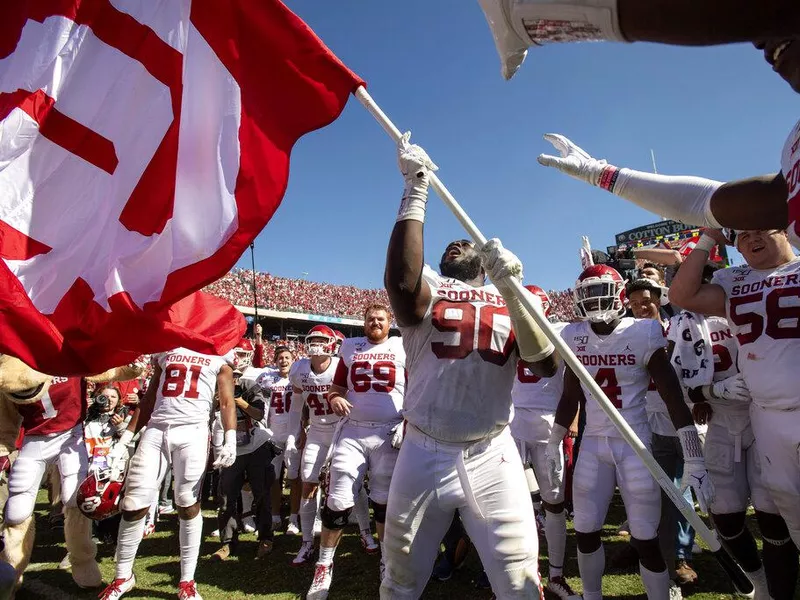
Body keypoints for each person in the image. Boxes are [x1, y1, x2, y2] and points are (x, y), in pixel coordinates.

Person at [380, 133, 558, 599]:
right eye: (450, 243)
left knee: (520, 583)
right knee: (399, 583)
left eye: (466, 242)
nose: (457, 243)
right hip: (424, 448)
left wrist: (514, 292)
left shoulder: (514, 291)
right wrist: (415, 190)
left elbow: (545, 365)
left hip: (491, 452)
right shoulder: (430, 288)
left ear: (485, 259)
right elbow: (401, 282)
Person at [552, 264, 713, 600]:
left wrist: (694, 457)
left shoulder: (643, 332)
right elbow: (570, 396)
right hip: (594, 445)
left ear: (618, 294)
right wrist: (553, 443)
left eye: (601, 292)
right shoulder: (572, 335)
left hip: (635, 445)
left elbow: (671, 395)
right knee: (584, 531)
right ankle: (592, 595)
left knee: (645, 537)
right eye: (589, 294)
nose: (595, 301)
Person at [669, 228, 800, 598]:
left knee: (774, 514)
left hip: (764, 416)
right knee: (725, 515)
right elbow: (679, 382)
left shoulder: (750, 293)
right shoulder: (688, 319)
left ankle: (780, 590)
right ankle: (757, 583)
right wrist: (711, 389)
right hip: (724, 421)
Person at [98, 348, 237, 600]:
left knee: (187, 502)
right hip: (157, 428)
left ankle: (187, 581)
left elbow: (226, 400)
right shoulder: (167, 349)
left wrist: (230, 437)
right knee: (133, 502)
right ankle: (122, 576)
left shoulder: (220, 352)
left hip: (193, 430)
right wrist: (127, 437)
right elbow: (150, 398)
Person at [307, 305, 406, 599]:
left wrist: (408, 419)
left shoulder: (403, 346)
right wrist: (335, 397)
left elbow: (416, 388)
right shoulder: (351, 348)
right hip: (354, 429)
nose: (375, 322)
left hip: (389, 431)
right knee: (337, 499)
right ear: (363, 323)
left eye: (380, 318)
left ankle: (387, 562)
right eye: (370, 319)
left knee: (384, 501)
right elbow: (336, 387)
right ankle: (323, 567)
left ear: (390, 323)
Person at [626, 279, 698, 587]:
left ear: (660, 299)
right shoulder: (626, 336)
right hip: (647, 421)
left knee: (684, 490)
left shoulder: (678, 329)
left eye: (647, 300)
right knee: (652, 490)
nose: (641, 307)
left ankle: (682, 554)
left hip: (685, 419)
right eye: (635, 302)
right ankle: (647, 547)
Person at [509, 285, 579, 599]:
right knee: (514, 504)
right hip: (512, 424)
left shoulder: (563, 331)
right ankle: (521, 572)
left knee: (554, 504)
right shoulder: (509, 330)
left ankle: (556, 575)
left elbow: (573, 386)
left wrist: (570, 423)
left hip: (550, 425)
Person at [288, 325, 376, 567]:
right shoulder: (299, 369)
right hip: (316, 431)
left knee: (353, 484)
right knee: (308, 483)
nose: (315, 343)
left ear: (332, 344)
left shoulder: (341, 366)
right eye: (312, 338)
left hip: (342, 430)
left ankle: (365, 532)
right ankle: (307, 543)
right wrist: (293, 434)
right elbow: (297, 406)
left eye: (320, 339)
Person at [210, 367, 278, 561]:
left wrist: (235, 401)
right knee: (225, 498)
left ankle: (266, 538)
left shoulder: (250, 386)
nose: (233, 380)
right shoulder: (213, 389)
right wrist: (217, 404)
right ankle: (228, 542)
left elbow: (258, 414)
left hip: (256, 446)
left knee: (262, 494)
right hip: (230, 449)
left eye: (236, 376)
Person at [253, 346, 302, 534]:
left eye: (287, 357)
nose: (283, 360)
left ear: (293, 359)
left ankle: (294, 518)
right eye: (280, 357)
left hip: (294, 432)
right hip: (274, 433)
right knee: (273, 477)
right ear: (275, 360)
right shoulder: (267, 378)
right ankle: (274, 515)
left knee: (294, 477)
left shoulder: (298, 376)